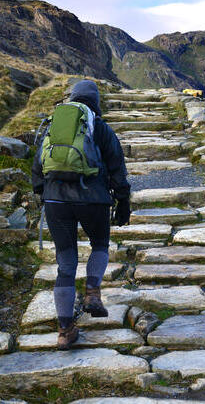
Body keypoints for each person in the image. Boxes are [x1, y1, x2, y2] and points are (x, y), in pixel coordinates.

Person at [32, 80, 131, 350]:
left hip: (55, 201)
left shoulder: (55, 124)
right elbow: (117, 166)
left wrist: (43, 193)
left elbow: (38, 166)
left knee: (65, 263)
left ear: (72, 98)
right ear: (95, 101)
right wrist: (123, 198)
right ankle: (91, 293)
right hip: (93, 200)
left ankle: (65, 330)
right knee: (99, 245)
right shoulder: (99, 127)